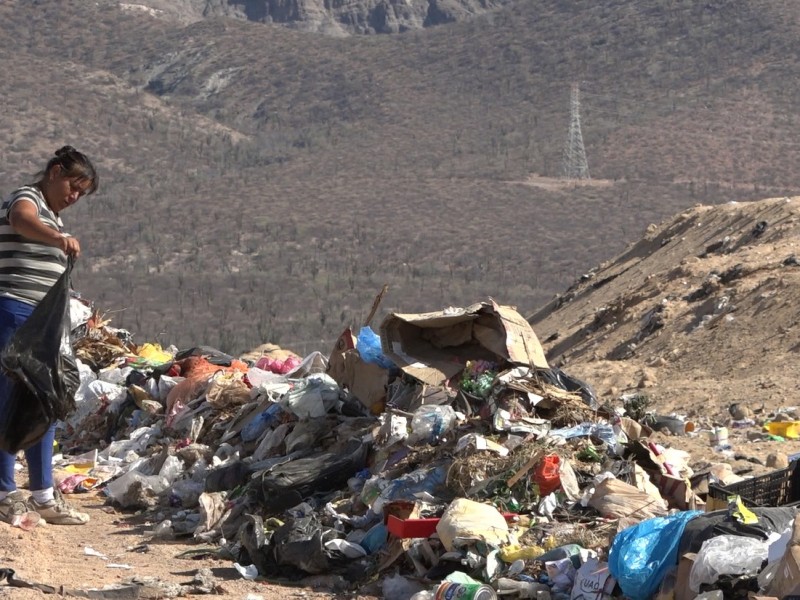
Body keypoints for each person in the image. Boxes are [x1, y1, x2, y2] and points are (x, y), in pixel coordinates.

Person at [0, 145, 98, 525]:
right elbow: (21, 219)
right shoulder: (28, 200)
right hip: (14, 310)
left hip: (44, 320)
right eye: (73, 186)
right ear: (55, 172)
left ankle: (43, 493)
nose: (74, 197)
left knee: (47, 399)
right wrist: (58, 241)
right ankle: (6, 491)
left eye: (81, 193)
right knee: (10, 399)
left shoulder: (53, 218)